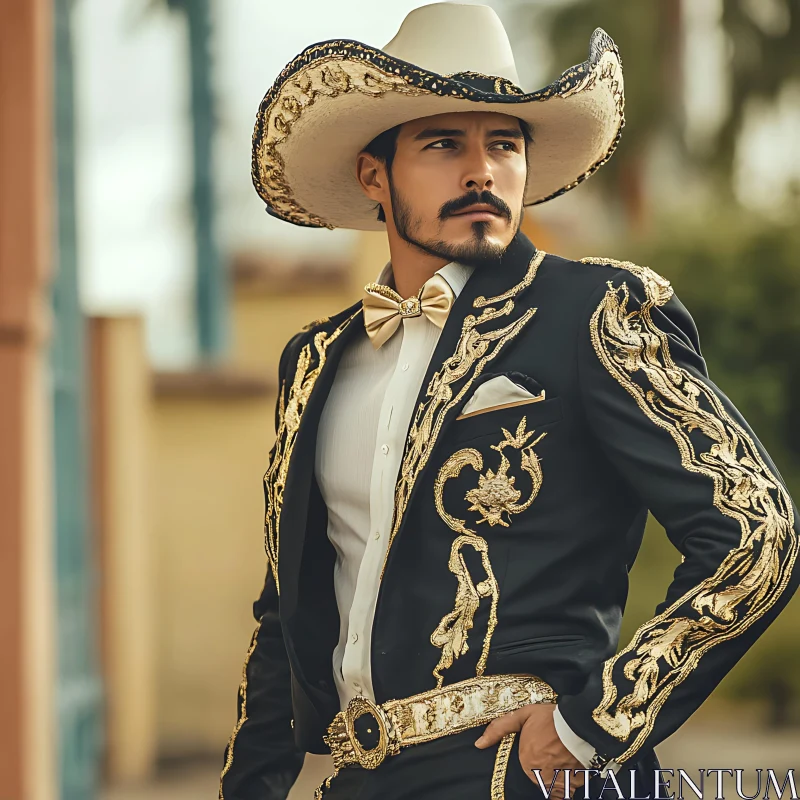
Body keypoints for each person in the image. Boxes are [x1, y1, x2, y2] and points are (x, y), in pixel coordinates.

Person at [218, 4, 800, 800]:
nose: (481, 171)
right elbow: (287, 610)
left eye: (504, 144)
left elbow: (755, 533)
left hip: (523, 776)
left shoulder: (594, 312)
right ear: (373, 174)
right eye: (443, 144)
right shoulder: (316, 360)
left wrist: (592, 725)